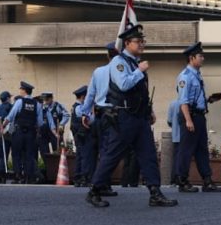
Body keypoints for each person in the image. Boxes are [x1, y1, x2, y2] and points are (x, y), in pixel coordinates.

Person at [85, 24, 177, 208]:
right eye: (138, 41)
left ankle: (155, 192)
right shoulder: (119, 62)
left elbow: (140, 91)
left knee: (148, 155)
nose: (142, 44)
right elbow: (124, 85)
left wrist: (148, 110)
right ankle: (94, 190)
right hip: (123, 117)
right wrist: (139, 71)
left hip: (139, 117)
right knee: (112, 154)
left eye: (143, 41)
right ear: (127, 43)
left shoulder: (135, 62)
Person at [174, 42, 221, 193]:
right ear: (191, 58)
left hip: (199, 116)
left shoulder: (196, 75)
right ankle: (182, 181)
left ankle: (207, 181)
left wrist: (209, 100)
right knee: (186, 150)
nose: (203, 58)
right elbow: (183, 101)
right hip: (190, 116)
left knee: (202, 149)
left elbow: (194, 97)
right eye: (200, 56)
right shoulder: (185, 77)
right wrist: (188, 120)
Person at [77, 42, 123, 197]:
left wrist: (84, 114)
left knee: (104, 150)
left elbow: (90, 94)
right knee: (109, 151)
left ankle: (102, 184)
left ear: (107, 55)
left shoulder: (98, 71)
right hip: (117, 115)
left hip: (100, 114)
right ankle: (102, 185)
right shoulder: (122, 71)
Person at [3, 81, 44, 184]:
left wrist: (3, 127)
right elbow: (39, 122)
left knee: (16, 154)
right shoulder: (37, 104)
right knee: (29, 155)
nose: (20, 91)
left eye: (20, 89)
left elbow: (11, 117)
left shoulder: (19, 102)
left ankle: (17, 176)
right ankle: (28, 177)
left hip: (19, 132)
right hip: (31, 133)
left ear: (24, 91)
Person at [70, 85, 91, 187]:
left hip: (79, 135)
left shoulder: (75, 107)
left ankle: (78, 177)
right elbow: (88, 119)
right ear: (83, 97)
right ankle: (83, 177)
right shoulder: (80, 108)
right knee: (84, 156)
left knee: (79, 155)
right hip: (82, 135)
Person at [40, 92, 69, 158]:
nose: (45, 102)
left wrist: (61, 124)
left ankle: (58, 165)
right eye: (44, 100)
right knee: (44, 151)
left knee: (57, 150)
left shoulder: (58, 106)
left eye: (47, 100)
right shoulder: (43, 107)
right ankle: (48, 166)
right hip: (45, 132)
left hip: (56, 131)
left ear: (51, 98)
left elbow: (66, 115)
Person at [166, 98, 182, 186]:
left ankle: (173, 179)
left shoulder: (172, 104)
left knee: (176, 157)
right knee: (183, 158)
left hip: (176, 136)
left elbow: (169, 121)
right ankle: (181, 178)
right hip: (185, 136)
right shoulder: (188, 103)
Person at [0, 91, 13, 176]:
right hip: (9, 133)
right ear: (7, 99)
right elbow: (12, 120)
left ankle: (1, 173)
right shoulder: (11, 107)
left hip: (0, 133)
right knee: (14, 154)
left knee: (2, 154)